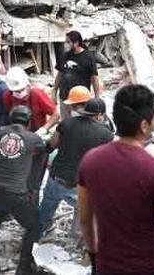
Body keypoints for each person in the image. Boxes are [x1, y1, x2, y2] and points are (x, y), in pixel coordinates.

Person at [78, 84, 154, 274]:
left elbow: (85, 219)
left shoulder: (91, 161)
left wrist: (95, 254)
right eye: (153, 118)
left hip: (108, 266)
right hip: (151, 267)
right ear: (144, 126)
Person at [0, 106, 47, 274]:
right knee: (34, 226)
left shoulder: (1, 132)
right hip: (16, 193)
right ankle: (24, 266)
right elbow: (44, 150)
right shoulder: (34, 138)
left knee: (0, 209)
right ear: (29, 121)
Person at [38, 96, 113, 238]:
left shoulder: (66, 123)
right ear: (99, 115)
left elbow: (52, 144)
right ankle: (77, 234)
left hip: (56, 179)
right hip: (80, 186)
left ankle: (37, 233)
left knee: (46, 210)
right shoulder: (106, 135)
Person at [52, 31, 100, 119]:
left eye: (68, 42)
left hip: (80, 100)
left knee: (79, 124)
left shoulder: (88, 57)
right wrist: (54, 91)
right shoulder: (64, 56)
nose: (65, 44)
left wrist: (97, 97)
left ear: (76, 43)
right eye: (65, 42)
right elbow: (59, 74)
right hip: (64, 98)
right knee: (66, 123)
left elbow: (94, 78)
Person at [2, 66, 58, 133]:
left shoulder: (37, 94)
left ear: (28, 85)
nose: (20, 94)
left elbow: (56, 114)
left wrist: (43, 129)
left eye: (22, 90)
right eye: (16, 91)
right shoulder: (8, 95)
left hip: (36, 131)